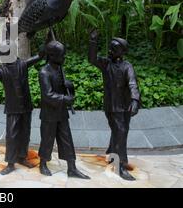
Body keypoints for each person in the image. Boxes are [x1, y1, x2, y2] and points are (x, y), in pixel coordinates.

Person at [0, 41, 43, 175]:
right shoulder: (3, 70)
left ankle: (22, 157)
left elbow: (40, 56)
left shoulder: (22, 65)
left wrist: (44, 40)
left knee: (25, 133)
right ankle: (11, 163)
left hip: (26, 106)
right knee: (12, 135)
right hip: (13, 108)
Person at [88, 29, 140, 181]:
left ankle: (116, 158)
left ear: (122, 52)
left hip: (125, 106)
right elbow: (92, 59)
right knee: (119, 132)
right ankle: (117, 160)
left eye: (113, 49)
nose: (109, 51)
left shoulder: (127, 66)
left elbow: (133, 84)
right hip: (111, 106)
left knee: (121, 132)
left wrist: (135, 100)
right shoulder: (105, 64)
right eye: (109, 48)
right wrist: (93, 41)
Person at [38, 40, 90, 179]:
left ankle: (72, 168)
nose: (64, 58)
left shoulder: (60, 69)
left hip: (61, 112)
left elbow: (63, 87)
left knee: (67, 139)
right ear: (52, 56)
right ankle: (43, 163)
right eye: (61, 55)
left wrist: (69, 86)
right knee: (47, 139)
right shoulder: (44, 72)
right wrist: (65, 99)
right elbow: (48, 95)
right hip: (49, 113)